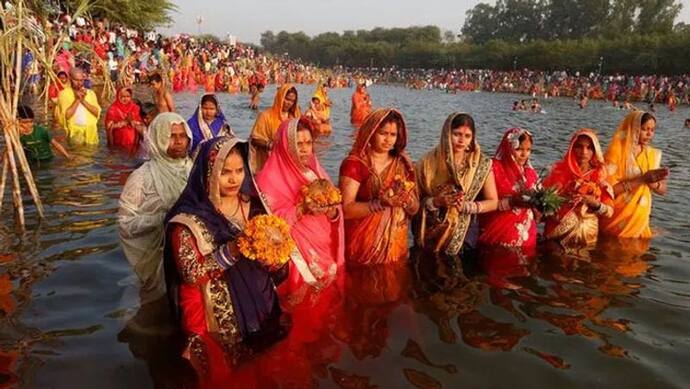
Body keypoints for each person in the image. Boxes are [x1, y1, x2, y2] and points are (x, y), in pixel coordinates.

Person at [163, 136, 287, 388]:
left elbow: (276, 250)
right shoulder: (186, 221)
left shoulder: (253, 203)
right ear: (208, 173)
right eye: (225, 172)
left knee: (264, 365)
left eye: (240, 170)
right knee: (221, 375)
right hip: (215, 314)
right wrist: (231, 250)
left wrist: (273, 260)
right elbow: (191, 274)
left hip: (259, 300)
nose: (234, 179)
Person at [256, 117, 344, 294]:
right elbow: (268, 227)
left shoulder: (315, 170)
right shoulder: (267, 180)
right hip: (296, 257)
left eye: (308, 142)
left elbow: (336, 209)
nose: (304, 149)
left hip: (326, 250)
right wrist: (301, 209)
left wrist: (333, 211)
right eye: (298, 143)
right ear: (285, 145)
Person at [118, 112, 193, 305]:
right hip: (155, 256)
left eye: (182, 136)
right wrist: (161, 218)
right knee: (156, 305)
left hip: (189, 257)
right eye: (171, 136)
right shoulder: (142, 177)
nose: (178, 142)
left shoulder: (193, 170)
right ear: (159, 139)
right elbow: (125, 224)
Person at [339, 108, 419, 265]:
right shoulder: (355, 164)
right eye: (383, 133)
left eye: (393, 135)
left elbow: (415, 209)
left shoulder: (403, 164)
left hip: (396, 245)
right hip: (363, 245)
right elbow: (346, 210)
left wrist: (407, 200)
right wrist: (380, 204)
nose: (388, 140)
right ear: (371, 132)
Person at [414, 113, 498, 257]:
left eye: (467, 136)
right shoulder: (427, 162)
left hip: (465, 232)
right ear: (446, 133)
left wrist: (467, 206)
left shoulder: (480, 163)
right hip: (431, 230)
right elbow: (414, 201)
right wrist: (435, 202)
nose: (461, 140)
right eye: (457, 134)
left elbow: (493, 202)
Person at [601, 111, 668, 238]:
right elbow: (607, 191)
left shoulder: (652, 154)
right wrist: (642, 180)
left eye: (652, 130)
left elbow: (663, 190)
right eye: (644, 129)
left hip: (640, 221)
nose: (649, 134)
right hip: (617, 219)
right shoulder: (615, 153)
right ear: (632, 128)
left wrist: (653, 183)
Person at [542, 129, 614, 247]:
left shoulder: (600, 175)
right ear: (572, 148)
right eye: (579, 147)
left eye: (589, 148)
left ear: (595, 151)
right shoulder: (558, 171)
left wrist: (594, 203)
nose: (584, 152)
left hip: (588, 235)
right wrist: (562, 199)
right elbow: (542, 206)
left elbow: (609, 212)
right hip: (557, 232)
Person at [478, 128, 538, 249]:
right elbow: (485, 200)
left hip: (526, 233)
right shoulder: (493, 168)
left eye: (528, 150)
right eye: (519, 149)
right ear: (508, 147)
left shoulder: (530, 172)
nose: (524, 154)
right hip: (498, 230)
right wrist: (512, 202)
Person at [249, 84, 300, 172]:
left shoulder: (295, 117)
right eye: (287, 99)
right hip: (269, 161)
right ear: (280, 97)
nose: (289, 103)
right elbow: (255, 139)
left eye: (292, 101)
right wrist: (271, 145)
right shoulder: (266, 116)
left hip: (289, 162)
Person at [56, 67, 101, 145]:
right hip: (75, 132)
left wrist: (83, 100)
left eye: (81, 80)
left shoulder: (90, 93)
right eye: (76, 80)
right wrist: (77, 100)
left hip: (91, 131)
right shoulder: (63, 94)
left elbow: (97, 112)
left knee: (90, 154)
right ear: (70, 79)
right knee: (78, 154)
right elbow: (66, 116)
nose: (79, 83)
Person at [105, 87, 144, 154]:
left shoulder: (135, 107)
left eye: (128, 96)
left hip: (133, 142)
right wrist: (118, 125)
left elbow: (142, 124)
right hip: (118, 142)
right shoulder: (113, 109)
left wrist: (132, 122)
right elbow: (108, 127)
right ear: (118, 96)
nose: (125, 99)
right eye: (123, 96)